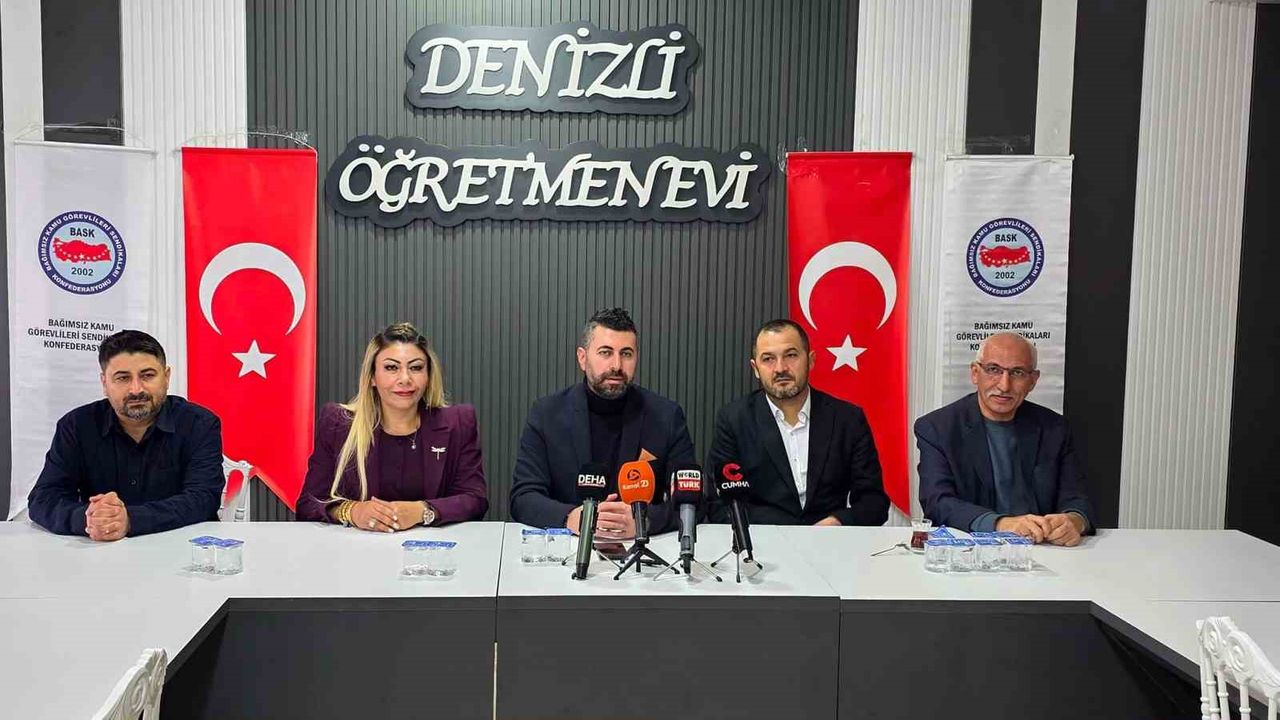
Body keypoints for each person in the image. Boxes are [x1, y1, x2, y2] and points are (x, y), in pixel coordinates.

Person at [509, 307, 695, 537]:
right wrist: (570, 518)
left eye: (626, 354)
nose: (616, 365)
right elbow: (523, 497)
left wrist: (643, 520)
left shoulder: (666, 416)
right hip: (569, 546)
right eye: (605, 352)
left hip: (642, 546)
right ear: (582, 358)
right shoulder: (546, 415)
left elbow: (694, 500)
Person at [27, 330, 223, 539]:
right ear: (105, 383)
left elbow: (204, 498)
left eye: (147, 375)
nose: (136, 389)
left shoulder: (199, 424)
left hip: (180, 546)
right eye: (123, 378)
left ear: (166, 377)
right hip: (100, 549)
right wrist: (90, 519)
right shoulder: (76, 426)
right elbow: (43, 498)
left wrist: (130, 520)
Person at [296, 322, 488, 529]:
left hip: (431, 546)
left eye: (416, 368)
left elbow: (475, 500)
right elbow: (308, 505)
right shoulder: (338, 423)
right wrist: (352, 511)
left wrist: (422, 511)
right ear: (372, 377)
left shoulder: (458, 422)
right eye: (391, 368)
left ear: (429, 375)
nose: (405, 379)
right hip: (359, 545)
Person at [915, 332, 1096, 545]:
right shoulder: (938, 428)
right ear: (975, 373)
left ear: (1033, 380)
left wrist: (1074, 521)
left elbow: (1077, 498)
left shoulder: (1054, 428)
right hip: (970, 551)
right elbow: (938, 503)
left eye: (1017, 373)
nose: (1004, 385)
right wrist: (1001, 524)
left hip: (1042, 548)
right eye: (993, 369)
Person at [706, 319, 888, 526]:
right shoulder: (734, 420)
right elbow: (719, 506)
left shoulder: (847, 419)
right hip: (764, 541)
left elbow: (874, 502)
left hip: (830, 540)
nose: (780, 368)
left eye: (791, 355)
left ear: (810, 360)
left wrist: (837, 522)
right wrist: (786, 533)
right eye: (768, 359)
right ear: (755, 368)